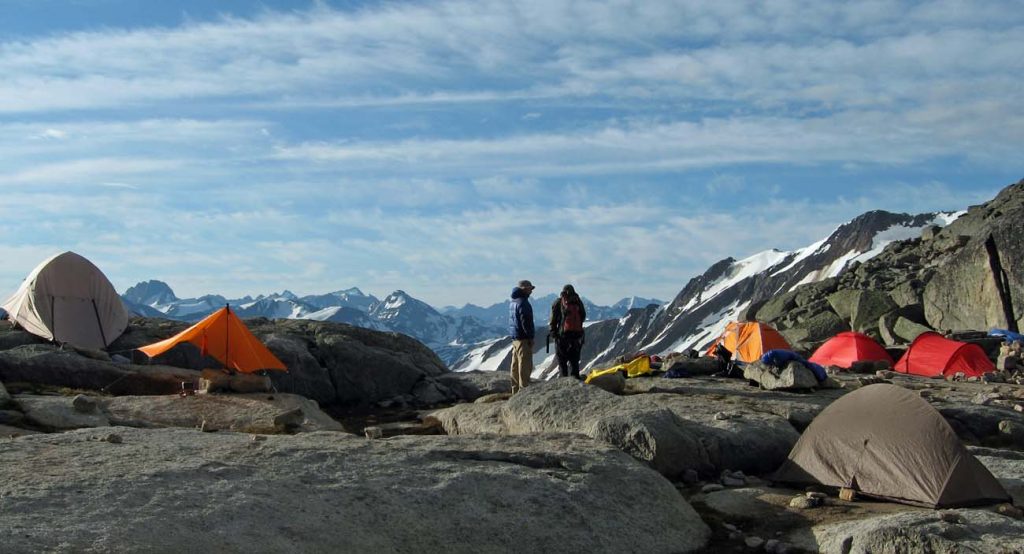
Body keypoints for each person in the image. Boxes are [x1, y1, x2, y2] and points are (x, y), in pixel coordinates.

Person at [549, 284, 586, 379]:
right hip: (576, 337)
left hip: (562, 337)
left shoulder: (558, 302)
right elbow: (583, 316)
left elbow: (553, 320)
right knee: (574, 362)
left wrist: (553, 331)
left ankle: (564, 382)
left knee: (562, 362)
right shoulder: (578, 301)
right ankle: (576, 380)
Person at [508, 279, 536, 394]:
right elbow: (526, 322)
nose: (531, 291)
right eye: (530, 289)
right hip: (523, 339)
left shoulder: (513, 302)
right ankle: (523, 392)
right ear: (524, 289)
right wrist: (530, 337)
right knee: (524, 366)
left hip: (515, 338)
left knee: (514, 366)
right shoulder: (523, 303)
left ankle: (515, 391)